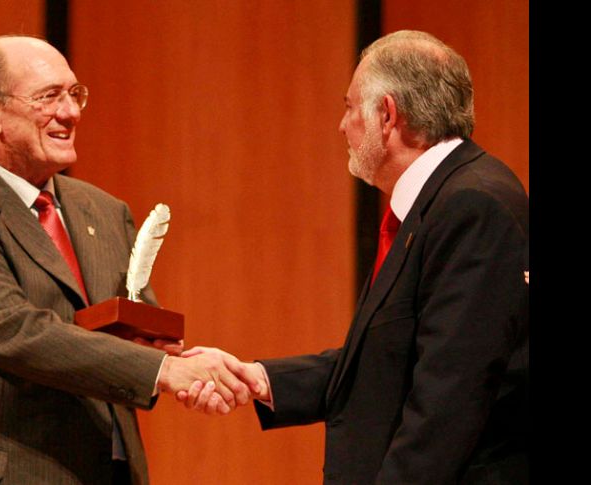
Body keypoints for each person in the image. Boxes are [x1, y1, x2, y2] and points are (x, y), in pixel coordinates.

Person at [178, 30, 529, 484]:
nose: (342, 125)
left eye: (349, 107)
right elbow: (390, 357)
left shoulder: (471, 206)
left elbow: (449, 397)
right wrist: (259, 379)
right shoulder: (443, 199)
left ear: (386, 114)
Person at [0, 35, 253, 485]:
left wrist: (176, 360)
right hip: (6, 474)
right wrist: (166, 372)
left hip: (107, 472)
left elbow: (136, 329)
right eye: (48, 97)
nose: (70, 112)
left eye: (74, 94)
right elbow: (15, 333)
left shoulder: (104, 211)